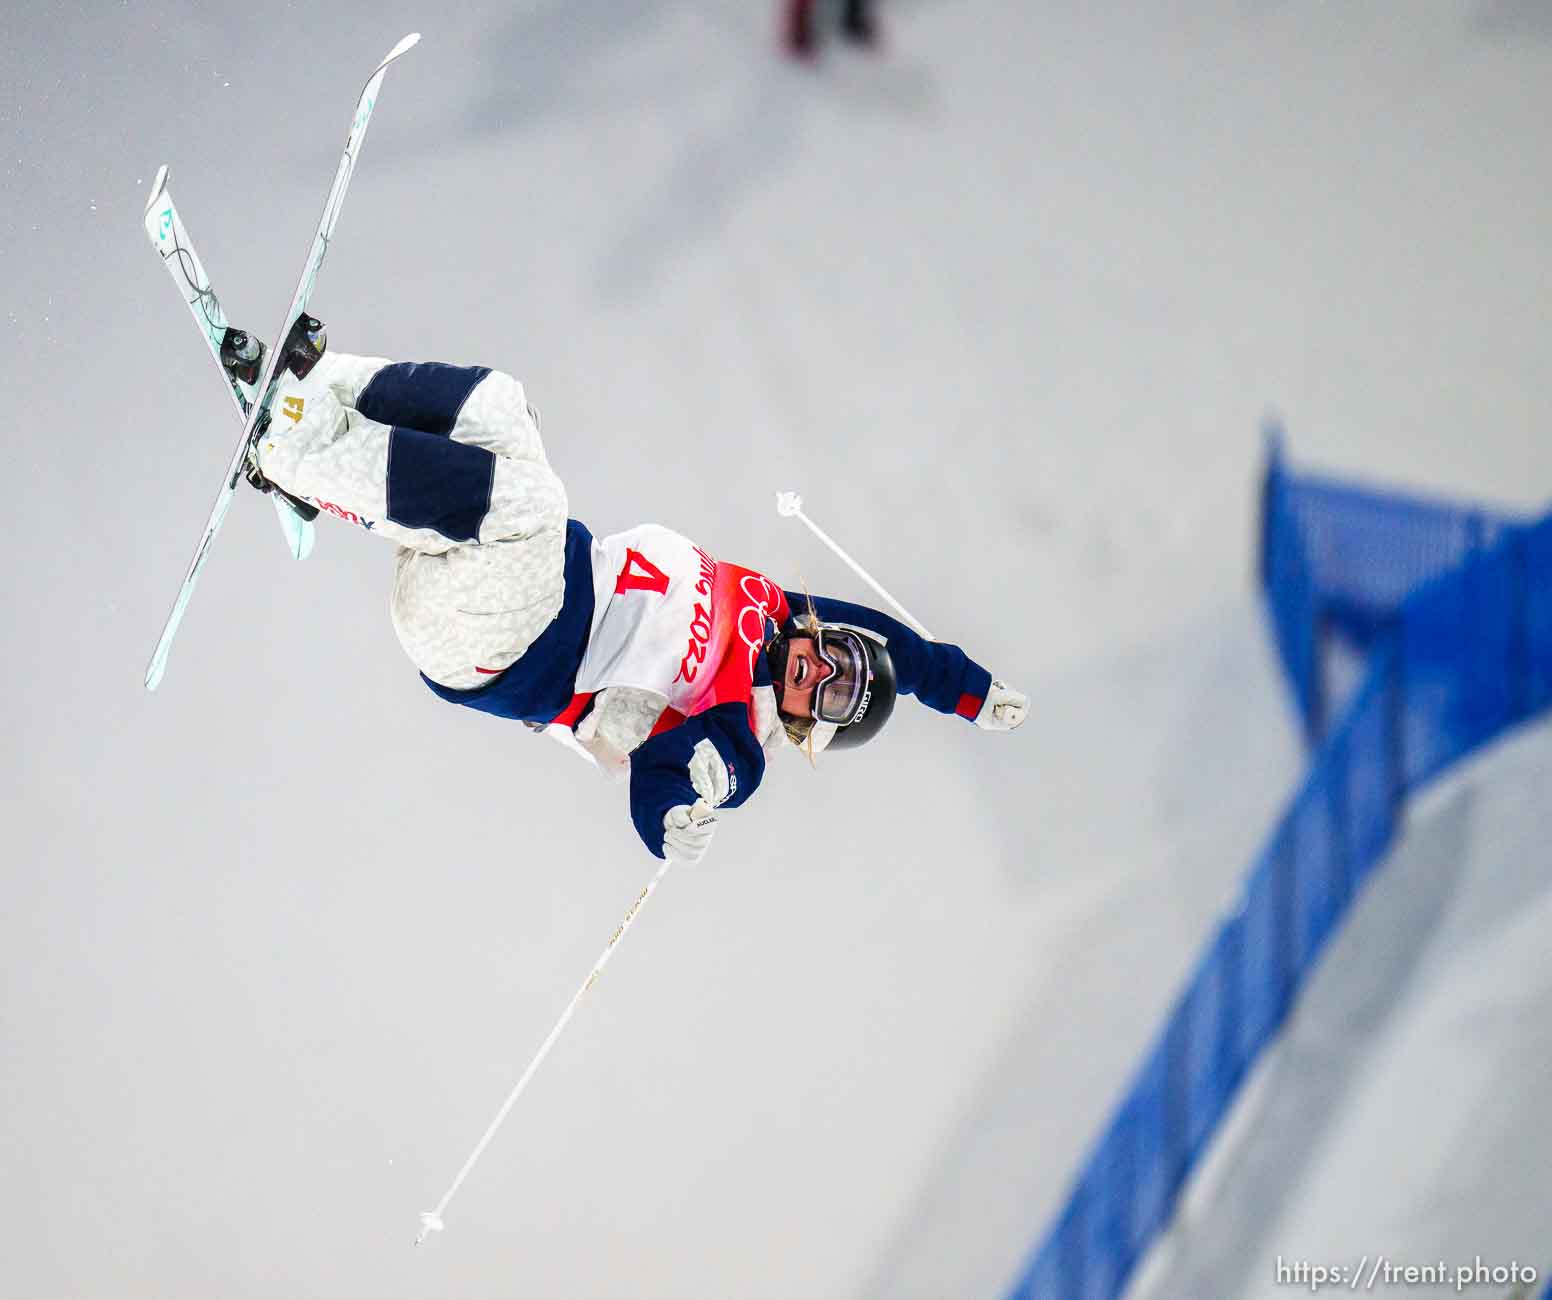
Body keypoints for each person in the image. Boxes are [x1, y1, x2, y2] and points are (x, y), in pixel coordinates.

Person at [239, 319, 1028, 863]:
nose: (818, 675)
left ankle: (293, 452)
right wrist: (969, 690)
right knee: (502, 407)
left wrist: (677, 814)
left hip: (507, 646)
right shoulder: (775, 610)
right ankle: (316, 390)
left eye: (828, 699)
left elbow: (674, 773)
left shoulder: (737, 725)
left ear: (807, 729)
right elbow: (905, 651)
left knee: (534, 504)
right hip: (502, 565)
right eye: (840, 664)